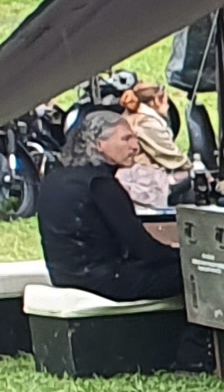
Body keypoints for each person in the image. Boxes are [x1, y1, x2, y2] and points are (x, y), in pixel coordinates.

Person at [35, 110, 182, 302]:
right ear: (99, 145)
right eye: (126, 139)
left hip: (64, 277)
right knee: (194, 274)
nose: (135, 147)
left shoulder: (53, 178)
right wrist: (183, 256)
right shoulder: (99, 183)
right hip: (105, 280)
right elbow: (142, 248)